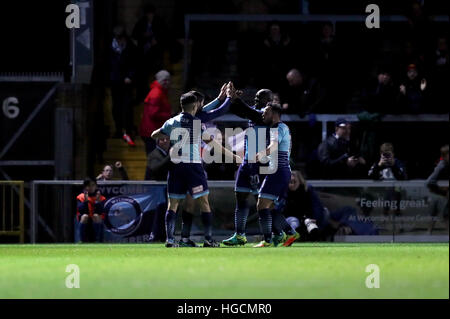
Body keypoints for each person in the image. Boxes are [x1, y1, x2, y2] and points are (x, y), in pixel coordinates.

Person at [151, 89, 238, 248]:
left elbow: (154, 134)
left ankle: (170, 240)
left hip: (176, 166)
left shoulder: (172, 122)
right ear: (196, 105)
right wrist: (234, 157)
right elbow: (214, 145)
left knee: (173, 204)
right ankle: (208, 239)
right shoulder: (197, 124)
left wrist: (168, 136)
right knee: (204, 202)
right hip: (192, 167)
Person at [222, 89, 274, 247]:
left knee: (263, 202)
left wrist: (238, 100)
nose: (257, 98)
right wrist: (230, 99)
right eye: (257, 96)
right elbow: (238, 110)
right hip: (247, 162)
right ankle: (239, 235)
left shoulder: (267, 115)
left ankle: (274, 235)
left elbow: (251, 113)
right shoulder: (255, 112)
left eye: (262, 97)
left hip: (260, 163)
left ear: (270, 101)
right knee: (240, 196)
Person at [252, 103, 299, 247]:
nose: (263, 114)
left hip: (278, 171)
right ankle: (290, 233)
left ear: (274, 113)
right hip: (281, 170)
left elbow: (274, 146)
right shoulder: (283, 127)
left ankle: (268, 240)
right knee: (269, 206)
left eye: (266, 111)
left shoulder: (277, 127)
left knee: (261, 204)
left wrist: (262, 153)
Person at [109, 26, 137, 145]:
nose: (120, 40)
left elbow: (134, 64)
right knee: (116, 107)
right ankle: (119, 129)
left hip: (126, 82)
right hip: (115, 81)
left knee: (127, 107)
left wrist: (130, 76)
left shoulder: (130, 47)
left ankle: (128, 131)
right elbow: (108, 64)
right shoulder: (111, 47)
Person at [139, 70, 172, 157]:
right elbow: (153, 114)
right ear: (159, 80)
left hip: (153, 131)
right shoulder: (156, 93)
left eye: (168, 80)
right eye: (165, 80)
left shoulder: (160, 92)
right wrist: (169, 116)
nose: (167, 82)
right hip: (151, 132)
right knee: (154, 159)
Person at [76, 179, 106, 243]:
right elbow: (81, 210)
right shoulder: (80, 197)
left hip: (96, 220)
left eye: (93, 185)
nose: (91, 187)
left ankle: (97, 241)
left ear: (96, 187)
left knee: (96, 216)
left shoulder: (101, 197)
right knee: (84, 216)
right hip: (86, 220)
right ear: (85, 187)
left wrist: (97, 201)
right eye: (88, 185)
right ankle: (82, 240)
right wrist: (86, 201)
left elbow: (101, 211)